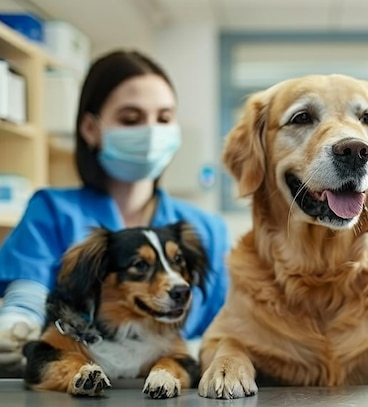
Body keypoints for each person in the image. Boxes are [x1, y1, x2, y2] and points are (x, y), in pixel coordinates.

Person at [0, 50, 230, 371]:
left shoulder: (206, 229)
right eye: (131, 120)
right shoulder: (52, 211)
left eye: (163, 119)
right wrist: (16, 323)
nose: (151, 133)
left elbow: (230, 322)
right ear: (91, 128)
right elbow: (29, 289)